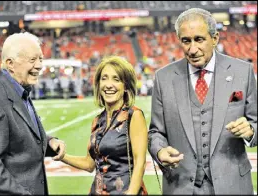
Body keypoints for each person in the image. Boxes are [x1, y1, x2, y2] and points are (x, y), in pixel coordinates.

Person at [148, 8, 257, 195]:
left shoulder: (243, 72)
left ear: (215, 39)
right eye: (186, 41)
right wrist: (159, 151)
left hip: (232, 186)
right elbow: (155, 132)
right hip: (181, 185)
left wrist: (251, 131)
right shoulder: (163, 78)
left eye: (199, 39)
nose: (192, 49)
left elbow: (256, 123)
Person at [0, 32, 66, 195]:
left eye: (40, 59)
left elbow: (16, 138)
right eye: (32, 60)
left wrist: (49, 142)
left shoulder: (19, 90)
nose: (40, 65)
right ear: (10, 64)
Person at [60, 56, 148, 195]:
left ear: (125, 86)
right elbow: (89, 164)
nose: (108, 85)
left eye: (116, 79)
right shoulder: (97, 121)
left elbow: (140, 162)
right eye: (104, 78)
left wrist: (131, 192)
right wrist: (61, 156)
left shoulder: (133, 116)